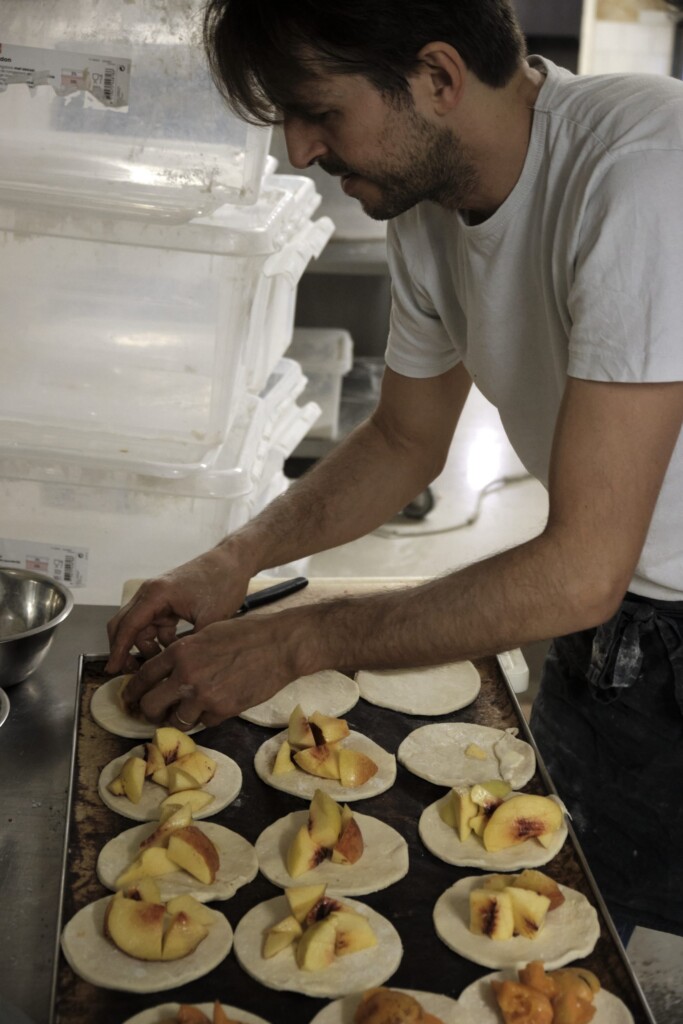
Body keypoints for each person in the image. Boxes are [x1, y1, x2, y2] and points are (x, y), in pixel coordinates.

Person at [107, 0, 683, 941]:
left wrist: (294, 641)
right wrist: (233, 560)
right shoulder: (433, 206)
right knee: (565, 918)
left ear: (438, 78)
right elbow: (402, 440)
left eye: (318, 112)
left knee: (643, 962)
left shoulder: (643, 174)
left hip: (634, 605)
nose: (300, 150)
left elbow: (580, 569)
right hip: (612, 625)